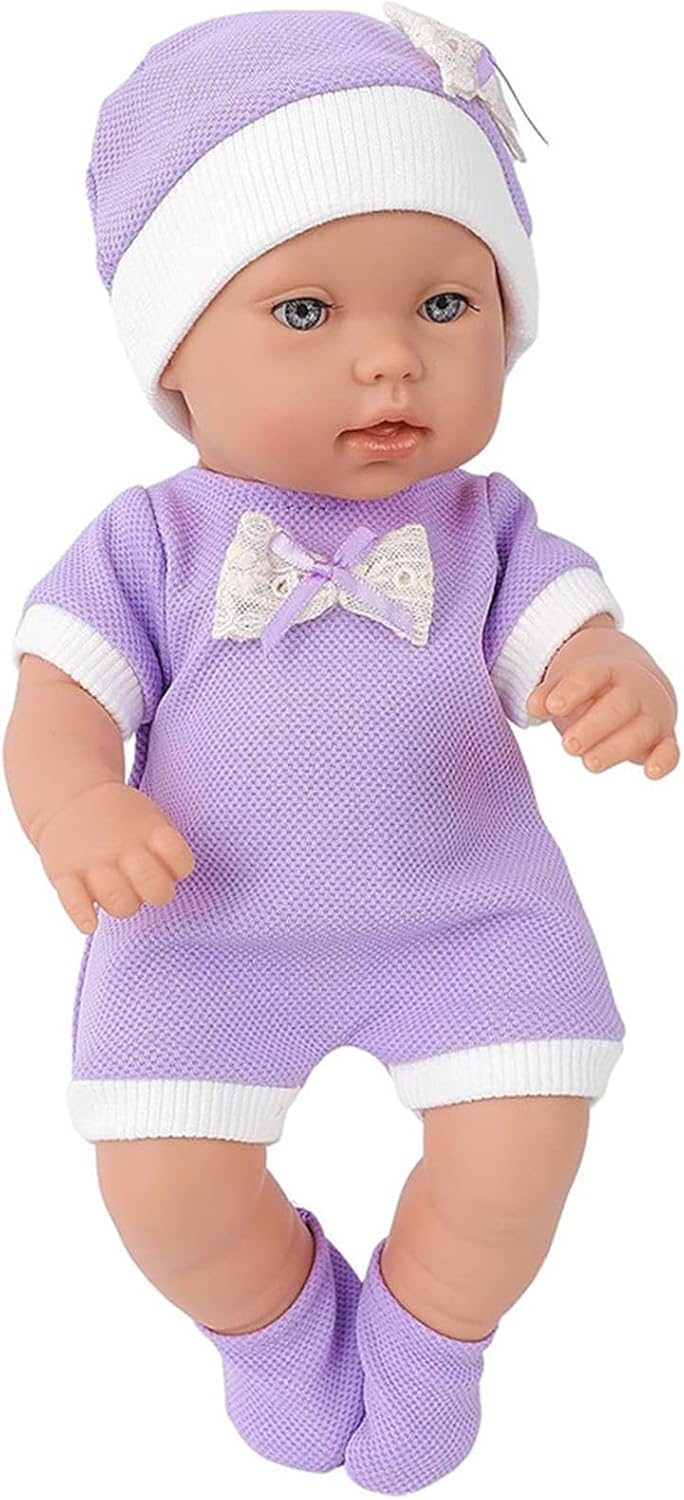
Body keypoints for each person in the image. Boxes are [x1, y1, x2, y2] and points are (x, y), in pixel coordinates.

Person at [4, 6, 679, 1492]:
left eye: (445, 306)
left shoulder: (485, 526)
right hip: (206, 922)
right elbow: (53, 705)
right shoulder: (151, 542)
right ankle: (275, 1330)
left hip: (470, 915)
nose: (390, 362)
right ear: (175, 357)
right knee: (164, 1191)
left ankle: (434, 1340)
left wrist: (612, 676)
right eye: (306, 313)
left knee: (520, 1154)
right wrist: (76, 807)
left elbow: (569, 636)